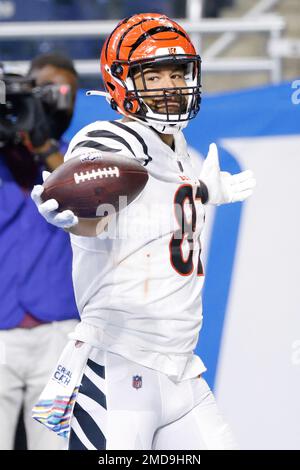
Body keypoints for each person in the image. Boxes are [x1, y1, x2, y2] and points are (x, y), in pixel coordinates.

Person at [31, 14, 255, 450]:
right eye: (154, 74)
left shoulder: (182, 151)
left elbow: (155, 221)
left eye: (178, 72)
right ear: (122, 83)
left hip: (181, 368)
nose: (171, 85)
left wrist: (203, 192)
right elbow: (94, 204)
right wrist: (73, 215)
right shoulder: (115, 139)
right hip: (119, 363)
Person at [0, 53, 79, 450]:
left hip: (58, 337)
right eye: (43, 90)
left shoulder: (73, 159)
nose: (52, 102)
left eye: (63, 93)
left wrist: (44, 143)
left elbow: (83, 200)